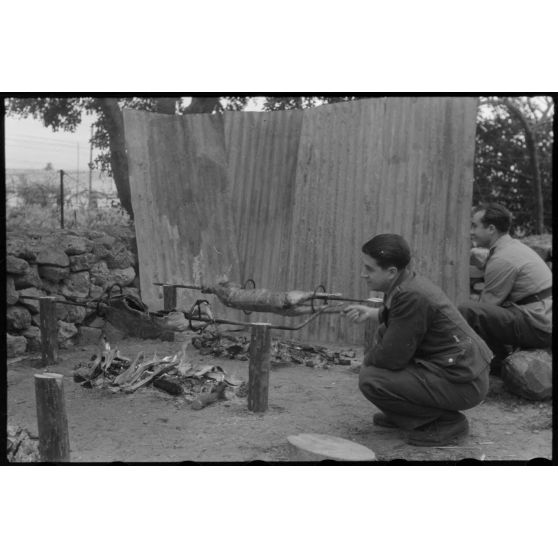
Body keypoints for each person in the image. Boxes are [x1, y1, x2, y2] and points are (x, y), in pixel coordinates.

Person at [344, 234, 493, 446]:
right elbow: (398, 320)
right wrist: (370, 313)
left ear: (391, 272)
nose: (362, 274)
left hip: (466, 382)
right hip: (460, 371)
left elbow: (391, 358)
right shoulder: (404, 284)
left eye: (369, 269)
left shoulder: (411, 295)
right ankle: (407, 416)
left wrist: (367, 359)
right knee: (383, 336)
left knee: (371, 379)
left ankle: (446, 422)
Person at [458, 203, 552, 373]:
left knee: (469, 311)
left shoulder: (502, 258)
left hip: (539, 325)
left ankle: (496, 363)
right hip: (542, 318)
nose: (471, 232)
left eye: (475, 226)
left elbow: (488, 307)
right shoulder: (512, 247)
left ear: (491, 229)